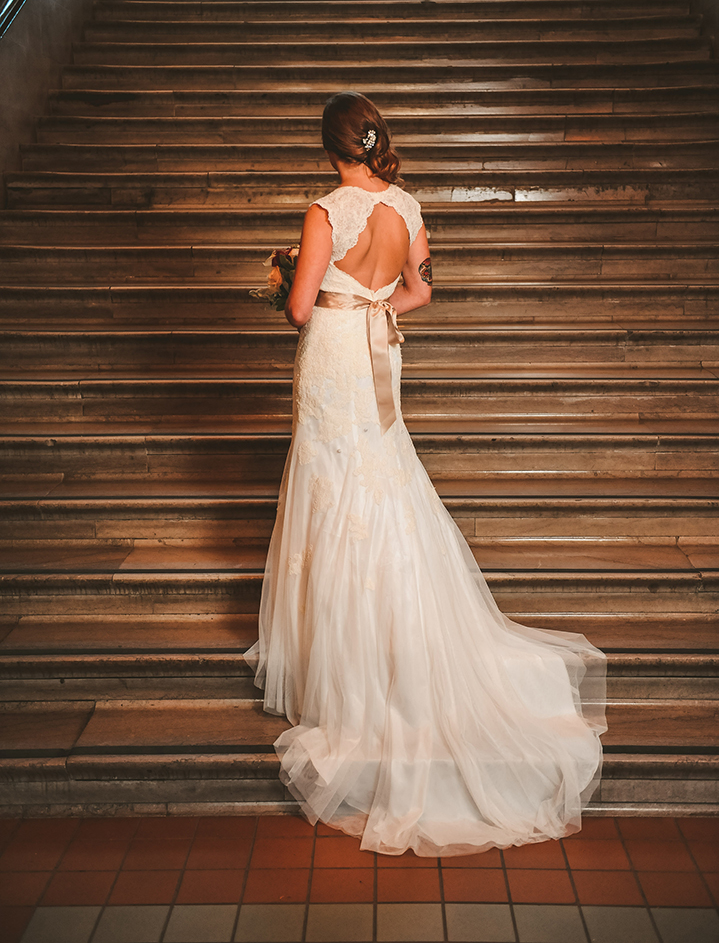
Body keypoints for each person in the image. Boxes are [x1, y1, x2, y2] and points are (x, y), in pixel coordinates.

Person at [244, 92, 606, 858]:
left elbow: (302, 310)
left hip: (336, 356)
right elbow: (420, 291)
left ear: (327, 147)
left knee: (331, 483)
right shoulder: (406, 206)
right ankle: (392, 634)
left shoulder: (322, 210)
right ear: (371, 141)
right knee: (381, 480)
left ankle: (337, 660)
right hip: (379, 351)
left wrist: (284, 274)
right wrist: (377, 299)